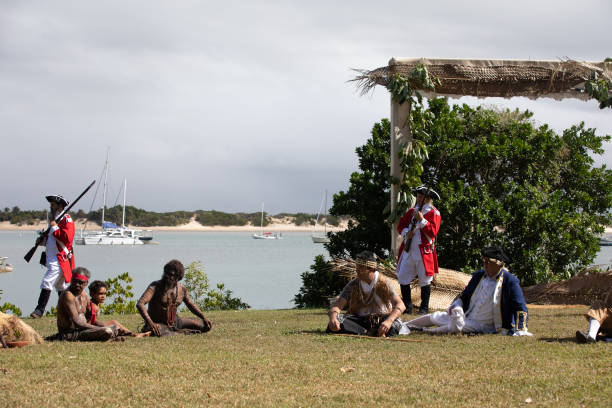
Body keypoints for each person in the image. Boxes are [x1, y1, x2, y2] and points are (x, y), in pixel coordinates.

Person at [407, 247, 531, 336]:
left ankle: (425, 331)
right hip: (468, 316)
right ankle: (406, 325)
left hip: (486, 325)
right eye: (484, 262)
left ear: (499, 264)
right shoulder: (479, 276)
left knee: (458, 326)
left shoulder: (510, 281)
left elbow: (520, 307)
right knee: (436, 316)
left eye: (489, 263)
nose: (485, 266)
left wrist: (521, 329)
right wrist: (457, 307)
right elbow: (464, 296)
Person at [327, 251, 406, 337]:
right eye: (357, 267)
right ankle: (368, 332)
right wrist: (333, 318)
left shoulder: (384, 283)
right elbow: (338, 305)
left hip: (383, 319)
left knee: (394, 325)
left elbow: (401, 305)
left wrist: (389, 321)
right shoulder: (354, 284)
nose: (357, 270)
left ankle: (370, 331)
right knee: (338, 321)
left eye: (360, 267)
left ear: (371, 269)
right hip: (362, 321)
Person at [396, 185, 441, 315]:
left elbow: (432, 232)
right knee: (403, 277)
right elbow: (401, 226)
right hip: (409, 250)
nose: (419, 198)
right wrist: (406, 233)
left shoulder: (434, 213)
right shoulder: (411, 211)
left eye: (422, 196)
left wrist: (422, 220)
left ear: (428, 198)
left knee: (425, 280)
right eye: (418, 195)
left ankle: (423, 308)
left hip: (424, 252)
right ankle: (407, 307)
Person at [137, 260, 213, 337]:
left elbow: (191, 305)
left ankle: (177, 331)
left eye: (171, 275)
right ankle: (180, 332)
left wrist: (204, 317)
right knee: (158, 329)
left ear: (178, 277)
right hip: (158, 323)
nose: (167, 277)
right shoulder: (155, 286)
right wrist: (151, 323)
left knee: (206, 325)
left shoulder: (182, 289)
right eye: (166, 273)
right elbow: (140, 304)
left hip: (175, 322)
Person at [30, 194, 75, 318]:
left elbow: (67, 238)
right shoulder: (55, 220)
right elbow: (52, 240)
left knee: (47, 281)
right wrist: (42, 241)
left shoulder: (66, 220)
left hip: (60, 258)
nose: (51, 207)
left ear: (60, 206)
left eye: (53, 205)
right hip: (53, 257)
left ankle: (39, 310)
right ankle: (69, 311)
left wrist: (54, 227)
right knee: (61, 286)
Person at [55, 267, 117, 341]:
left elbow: (91, 319)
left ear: (86, 283)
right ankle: (109, 337)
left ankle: (109, 336)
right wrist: (102, 328)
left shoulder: (85, 296)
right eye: (74, 281)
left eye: (80, 283)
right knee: (107, 331)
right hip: (70, 333)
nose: (77, 284)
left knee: (115, 327)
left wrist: (104, 326)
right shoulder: (68, 295)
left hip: (84, 330)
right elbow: (77, 322)